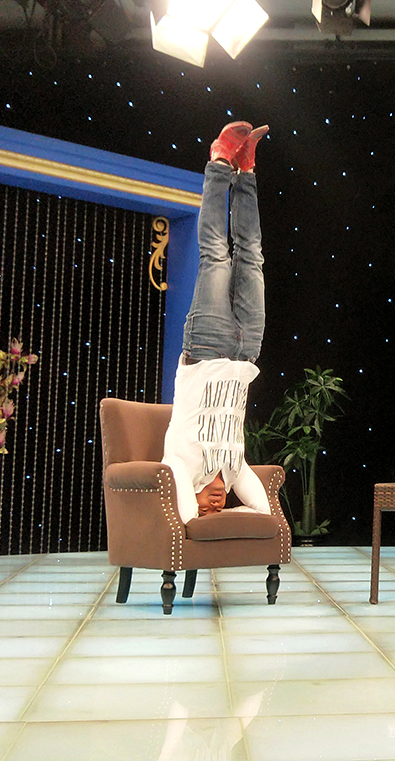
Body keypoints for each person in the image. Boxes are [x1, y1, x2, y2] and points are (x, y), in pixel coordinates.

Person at [162, 121, 273, 523]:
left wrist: (194, 518)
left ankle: (219, 162)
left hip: (207, 346)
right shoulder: (233, 468)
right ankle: (246, 172)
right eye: (220, 506)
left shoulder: (179, 465)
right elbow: (263, 512)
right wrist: (256, 524)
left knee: (215, 254)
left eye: (207, 505)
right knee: (252, 255)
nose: (215, 503)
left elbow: (187, 517)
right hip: (247, 349)